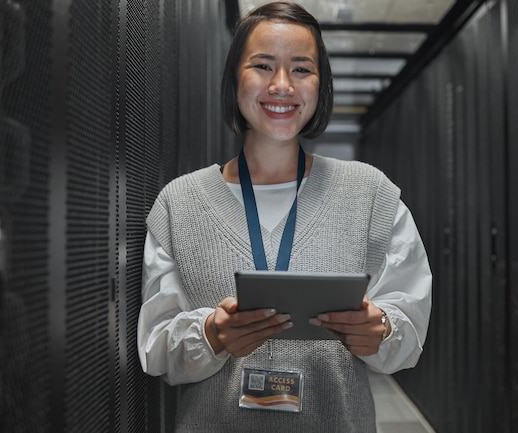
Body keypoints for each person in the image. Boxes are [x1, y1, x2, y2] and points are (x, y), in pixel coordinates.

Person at [137, 2, 431, 432]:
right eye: (262, 65)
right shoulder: (178, 204)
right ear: (234, 78)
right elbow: (156, 348)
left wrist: (381, 331)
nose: (281, 86)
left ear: (320, 84)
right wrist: (213, 335)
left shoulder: (371, 195)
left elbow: (410, 325)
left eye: (300, 69)